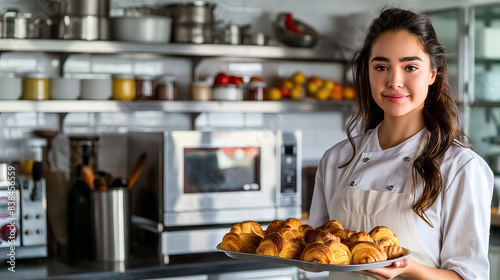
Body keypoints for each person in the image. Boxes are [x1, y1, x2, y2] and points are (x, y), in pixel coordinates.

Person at [308, 7, 494, 280]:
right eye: (381, 67)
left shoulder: (461, 168)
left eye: (410, 67)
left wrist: (410, 269)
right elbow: (312, 250)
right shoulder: (337, 158)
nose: (394, 81)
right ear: (367, 73)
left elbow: (470, 276)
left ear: (432, 74)